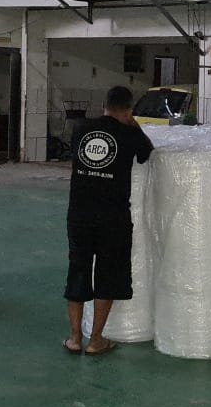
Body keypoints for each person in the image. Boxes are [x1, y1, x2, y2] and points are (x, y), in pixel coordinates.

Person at [63, 86, 154, 356]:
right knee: (108, 275)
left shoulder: (80, 128)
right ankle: (96, 341)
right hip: (113, 218)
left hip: (79, 215)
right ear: (128, 110)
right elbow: (146, 153)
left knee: (77, 271)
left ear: (104, 106)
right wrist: (133, 124)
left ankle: (74, 338)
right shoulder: (130, 134)